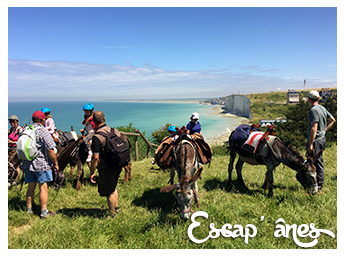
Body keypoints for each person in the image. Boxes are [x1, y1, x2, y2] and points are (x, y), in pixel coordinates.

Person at [20, 110, 59, 219]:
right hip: (41, 164)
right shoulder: (43, 131)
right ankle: (43, 212)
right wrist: (55, 163)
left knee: (30, 187)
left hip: (27, 163)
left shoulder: (25, 129)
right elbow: (51, 150)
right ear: (43, 120)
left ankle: (29, 209)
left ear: (33, 120)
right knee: (43, 188)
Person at [90, 111, 122, 218]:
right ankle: (116, 208)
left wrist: (92, 171)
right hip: (118, 163)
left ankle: (112, 215)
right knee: (113, 187)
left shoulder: (97, 137)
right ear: (104, 119)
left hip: (106, 166)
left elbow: (95, 157)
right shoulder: (115, 131)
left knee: (109, 191)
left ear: (93, 122)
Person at [307, 90, 336, 192]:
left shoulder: (313, 110)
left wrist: (310, 144)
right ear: (318, 98)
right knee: (316, 162)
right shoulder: (322, 108)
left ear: (309, 99)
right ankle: (313, 185)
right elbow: (332, 119)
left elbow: (314, 128)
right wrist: (324, 130)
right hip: (322, 138)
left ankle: (318, 186)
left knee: (317, 163)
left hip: (316, 140)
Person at [8, 115, 23, 185]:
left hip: (17, 149)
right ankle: (10, 178)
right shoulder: (11, 129)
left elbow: (22, 141)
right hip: (11, 148)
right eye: (10, 121)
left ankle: (15, 180)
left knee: (16, 165)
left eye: (13, 121)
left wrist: (12, 142)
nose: (11, 123)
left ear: (16, 121)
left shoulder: (20, 130)